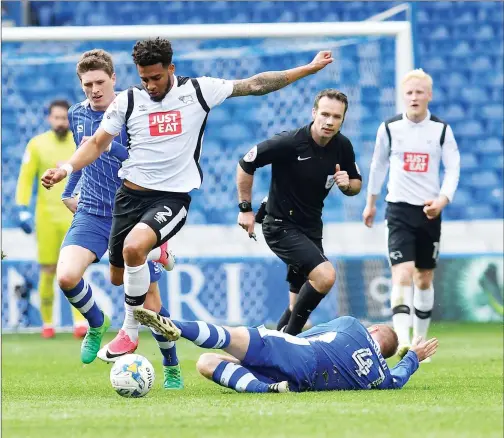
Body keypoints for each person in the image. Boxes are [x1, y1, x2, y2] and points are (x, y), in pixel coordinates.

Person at [41, 37, 334, 360]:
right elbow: (96, 143)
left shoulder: (197, 91)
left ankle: (129, 331)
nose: (150, 86)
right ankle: (157, 253)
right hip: (128, 196)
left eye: (156, 77)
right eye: (144, 79)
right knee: (118, 275)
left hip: (170, 198)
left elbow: (255, 84)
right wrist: (66, 169)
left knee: (134, 247)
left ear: (171, 69)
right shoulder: (127, 102)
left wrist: (308, 69)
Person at [57, 49, 182, 389]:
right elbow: (81, 153)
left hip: (133, 214)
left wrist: (109, 147)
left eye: (100, 82)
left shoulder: (136, 111)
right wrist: (69, 189)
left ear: (114, 79)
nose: (94, 90)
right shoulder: (76, 113)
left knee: (151, 304)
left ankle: (171, 367)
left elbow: (148, 158)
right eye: (87, 85)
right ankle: (97, 323)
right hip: (92, 213)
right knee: (66, 277)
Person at [237, 89, 362, 336]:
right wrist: (245, 209)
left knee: (298, 303)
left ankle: (276, 343)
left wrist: (347, 185)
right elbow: (246, 163)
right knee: (325, 276)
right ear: (314, 112)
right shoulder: (290, 142)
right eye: (325, 114)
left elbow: (356, 184)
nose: (329, 121)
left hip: (311, 227)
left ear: (343, 119)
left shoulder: (342, 146)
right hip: (280, 225)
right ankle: (289, 343)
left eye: (336, 117)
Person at [362, 69, 460, 359]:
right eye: (409, 92)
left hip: (429, 211)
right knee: (402, 274)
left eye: (419, 92)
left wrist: (442, 199)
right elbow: (377, 166)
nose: (414, 97)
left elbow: (453, 167)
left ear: (429, 95)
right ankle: (404, 342)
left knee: (424, 278)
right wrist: (371, 203)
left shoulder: (441, 130)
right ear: (402, 96)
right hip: (398, 209)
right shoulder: (390, 128)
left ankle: (420, 343)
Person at [133, 308, 438, 393]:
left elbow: (308, 335)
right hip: (301, 381)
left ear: (372, 330)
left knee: (229, 336)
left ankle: (177, 327)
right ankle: (268, 388)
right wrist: (414, 357)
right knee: (207, 362)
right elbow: (399, 379)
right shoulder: (379, 377)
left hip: (299, 353)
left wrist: (270, 339)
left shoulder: (351, 325)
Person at [15, 99, 87, 339]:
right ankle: (48, 323)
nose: (60, 122)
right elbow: (26, 178)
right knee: (47, 269)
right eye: (56, 118)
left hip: (74, 214)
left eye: (64, 118)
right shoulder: (37, 145)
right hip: (45, 217)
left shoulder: (79, 142)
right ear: (49, 118)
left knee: (74, 268)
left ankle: (79, 322)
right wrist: (22, 207)